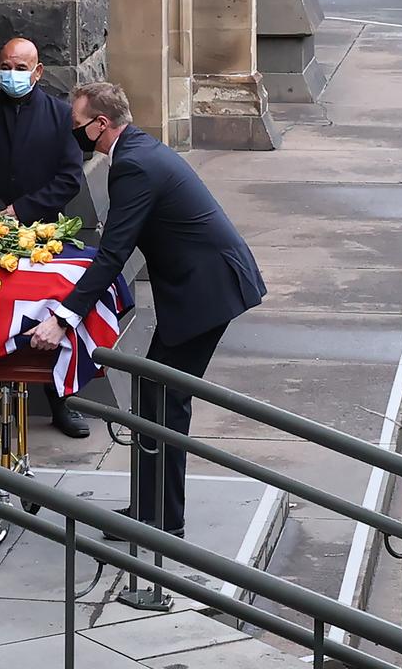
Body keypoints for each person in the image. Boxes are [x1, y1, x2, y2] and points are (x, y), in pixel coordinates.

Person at [26, 81, 266, 537]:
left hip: (209, 291)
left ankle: (161, 521)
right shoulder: (136, 152)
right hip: (205, 285)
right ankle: (151, 511)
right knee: (155, 394)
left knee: (164, 398)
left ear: (102, 124)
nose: (73, 134)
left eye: (78, 125)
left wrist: (62, 319)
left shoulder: (132, 165)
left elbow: (113, 253)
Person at [0, 37, 89, 438]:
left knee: (52, 312)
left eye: (19, 68)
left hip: (41, 229)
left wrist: (21, 211)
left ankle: (60, 401)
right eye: (4, 66)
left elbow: (69, 177)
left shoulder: (61, 116)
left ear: (38, 71)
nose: (11, 74)